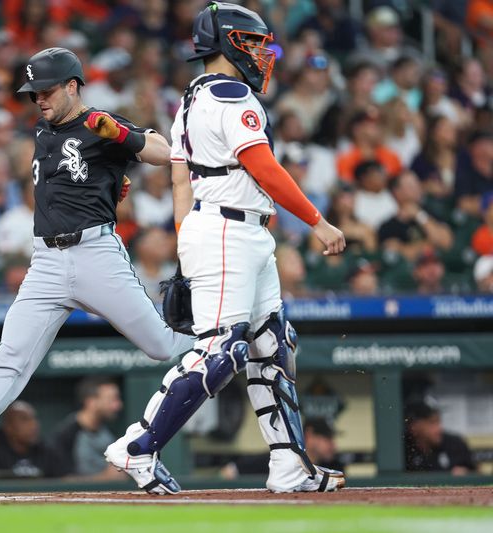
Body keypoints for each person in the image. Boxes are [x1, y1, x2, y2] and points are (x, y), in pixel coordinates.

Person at [0, 46, 194, 482]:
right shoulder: (43, 134)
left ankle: (221, 347)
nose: (38, 98)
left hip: (96, 254)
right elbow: (75, 184)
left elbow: (163, 151)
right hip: (45, 261)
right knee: (12, 355)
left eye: (46, 89)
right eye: (33, 92)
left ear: (72, 86)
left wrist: (122, 137)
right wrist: (110, 181)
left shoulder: (99, 123)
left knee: (161, 345)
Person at [105, 3, 346, 495]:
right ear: (232, 42)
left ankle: (288, 463)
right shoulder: (233, 94)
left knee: (271, 343)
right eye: (255, 43)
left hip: (225, 229)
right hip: (226, 231)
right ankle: (140, 446)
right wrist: (317, 222)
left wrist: (187, 238)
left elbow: (179, 176)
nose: (263, 53)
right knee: (223, 348)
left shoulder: (191, 98)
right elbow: (264, 167)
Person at [0, 401, 67, 480]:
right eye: (24, 419)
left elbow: (62, 481)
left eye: (34, 418)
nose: (33, 425)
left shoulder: (47, 452)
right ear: (9, 427)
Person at [51, 377, 125, 479]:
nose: (118, 405)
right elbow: (63, 481)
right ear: (91, 402)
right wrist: (105, 478)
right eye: (111, 400)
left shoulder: (110, 431)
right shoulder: (66, 435)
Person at [222, 418, 345, 478]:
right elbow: (228, 471)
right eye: (327, 438)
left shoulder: (335, 466)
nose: (333, 445)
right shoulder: (280, 458)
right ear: (309, 435)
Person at [404, 402, 477, 475]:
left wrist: (466, 473)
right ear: (414, 426)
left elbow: (476, 473)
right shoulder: (403, 450)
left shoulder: (455, 444)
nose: (439, 429)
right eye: (432, 422)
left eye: (438, 421)